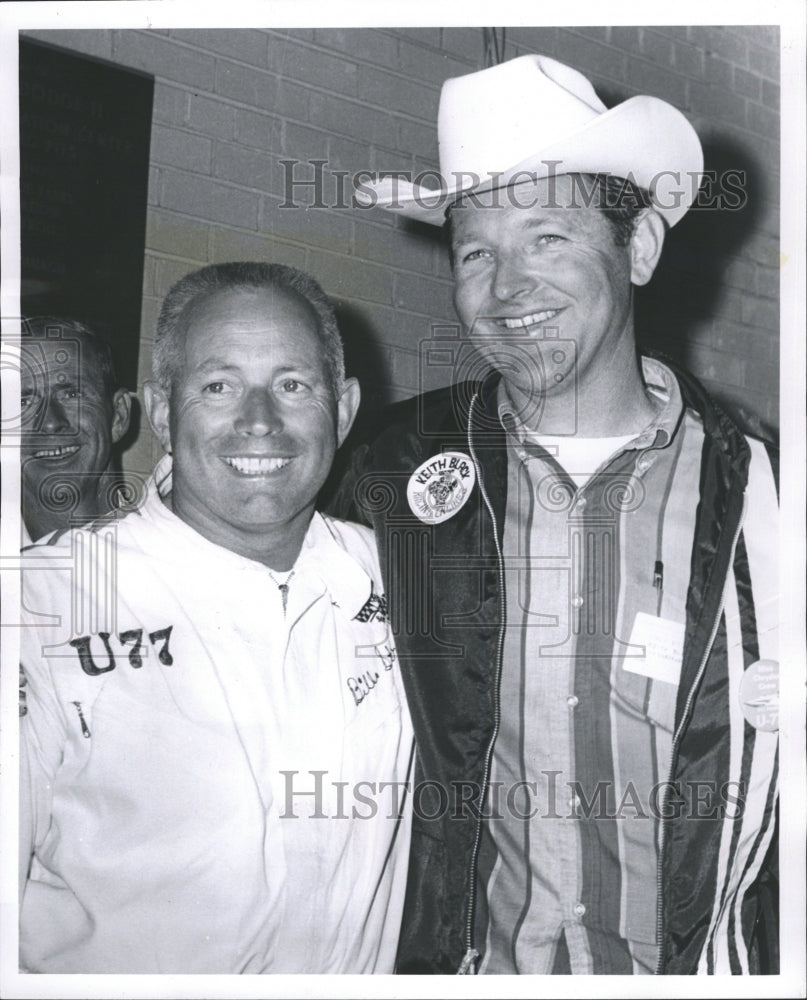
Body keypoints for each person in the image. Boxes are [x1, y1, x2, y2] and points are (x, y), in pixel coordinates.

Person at [334, 55, 779, 975]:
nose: (506, 289)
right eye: (476, 252)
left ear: (640, 249)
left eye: (547, 238)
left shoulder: (767, 499)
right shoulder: (390, 476)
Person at [19, 262, 414, 973]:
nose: (259, 421)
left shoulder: (407, 585)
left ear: (345, 408)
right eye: (218, 386)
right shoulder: (41, 606)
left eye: (293, 385)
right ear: (162, 411)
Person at [19, 316, 132, 544]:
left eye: (71, 394)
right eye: (22, 402)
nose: (50, 422)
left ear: (118, 416)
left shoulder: (177, 558)